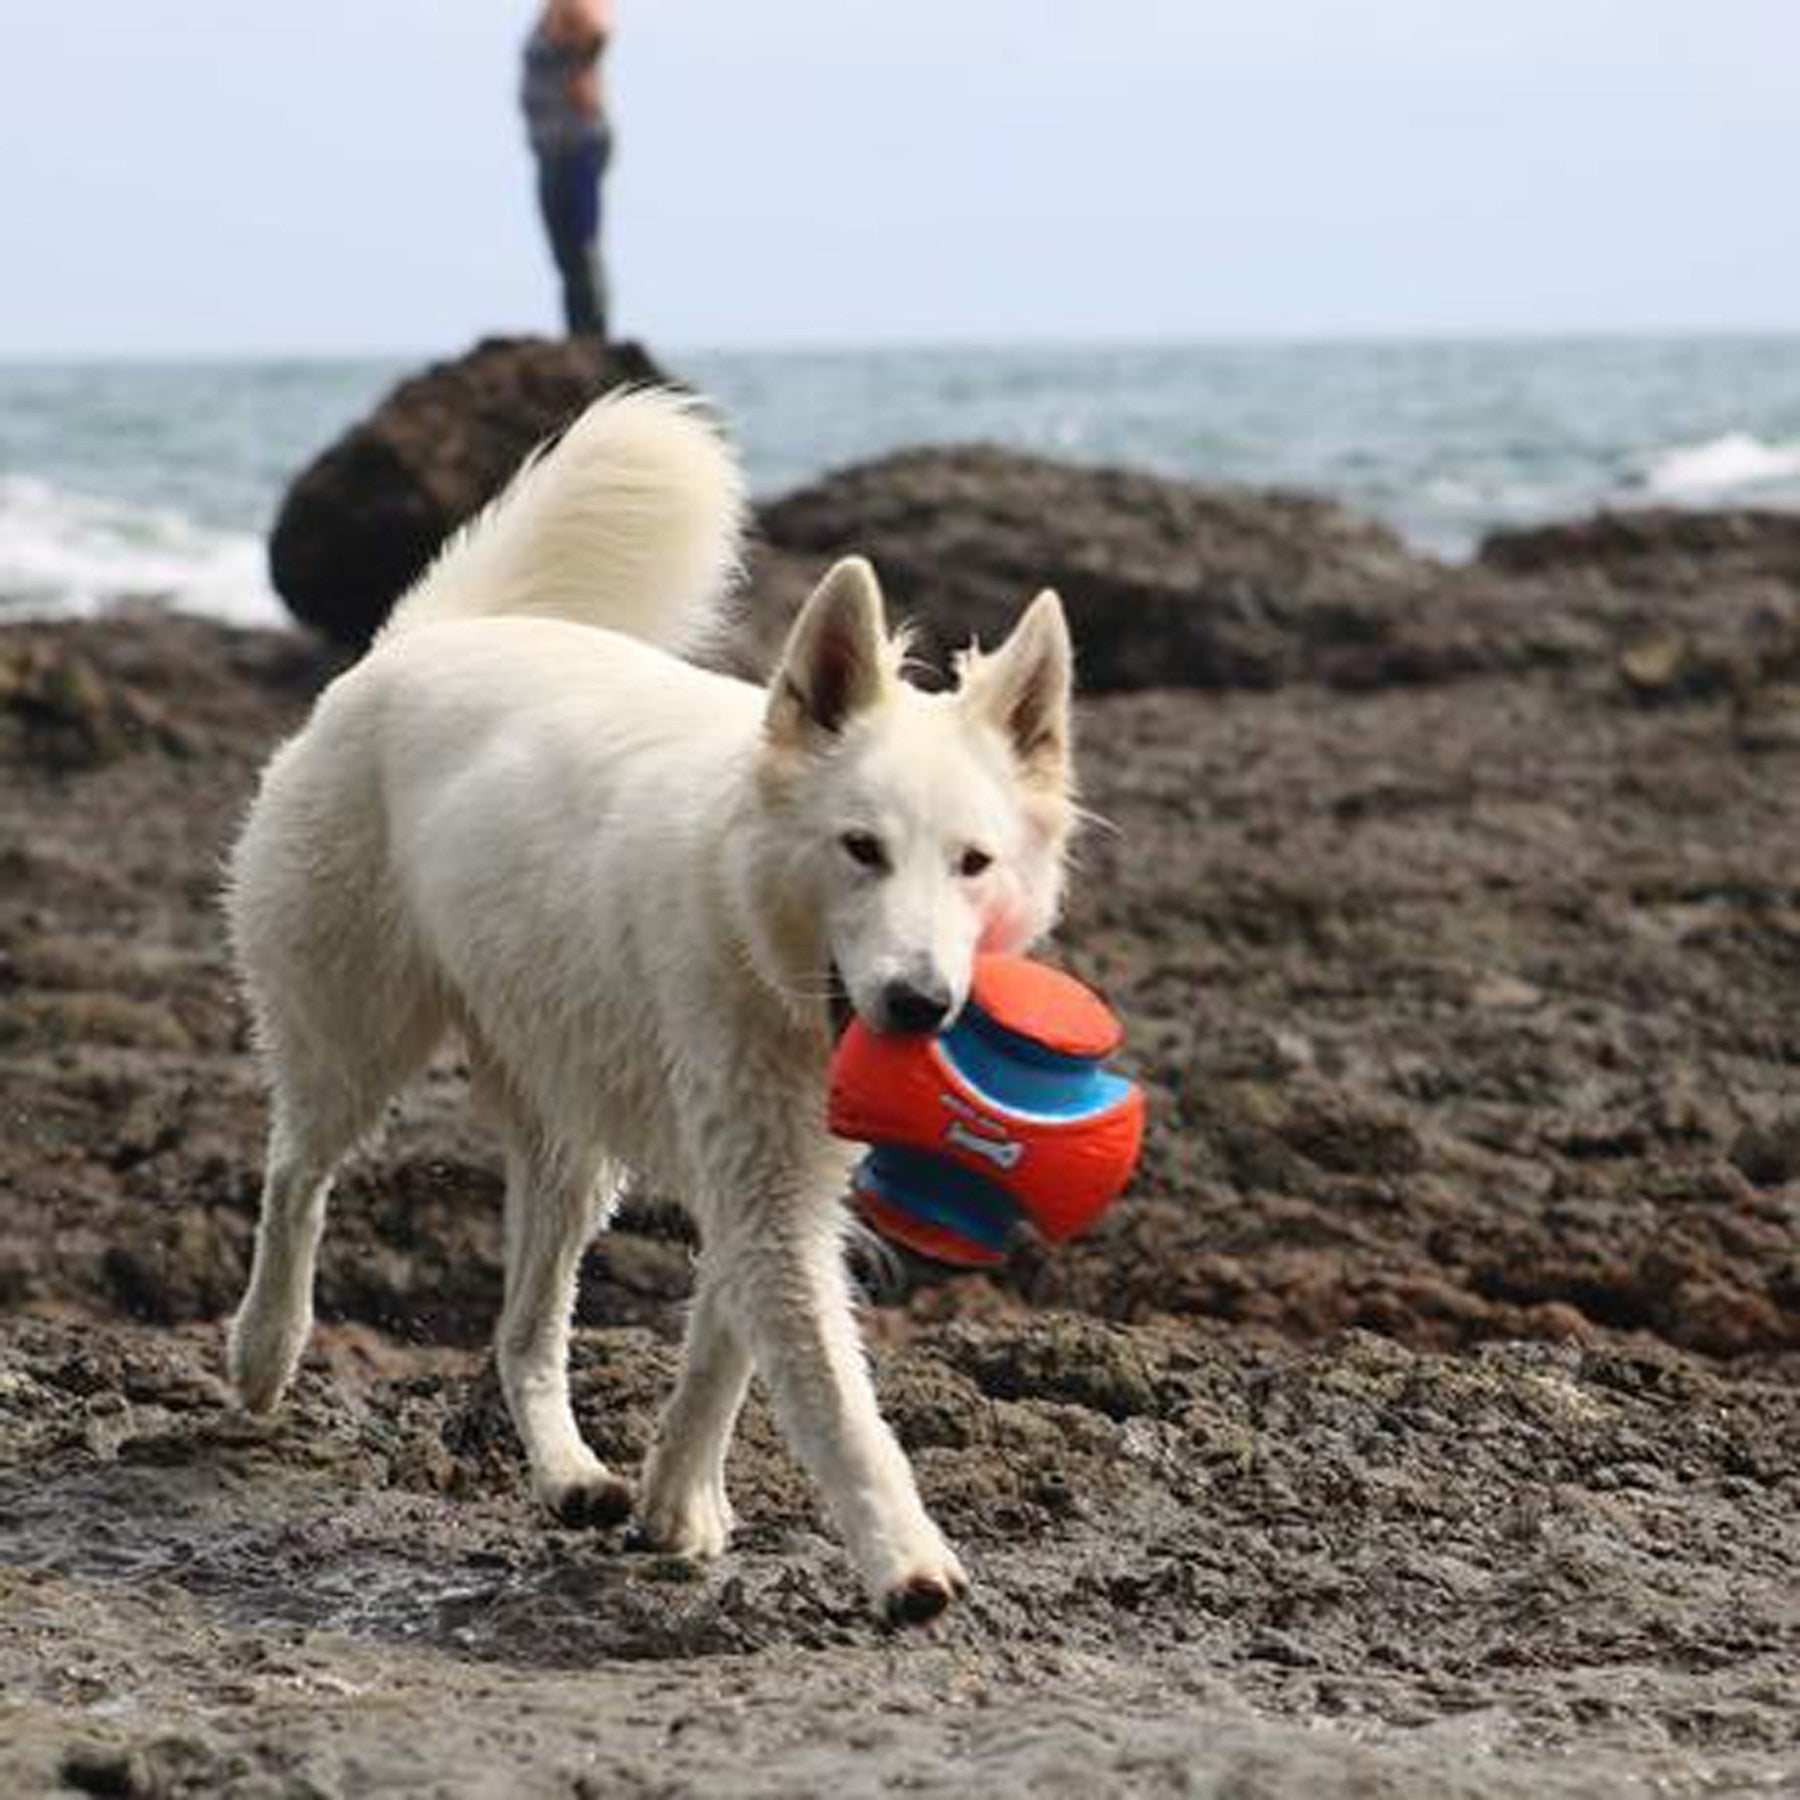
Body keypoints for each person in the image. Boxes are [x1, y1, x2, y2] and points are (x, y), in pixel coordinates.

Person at [521, 0, 613, 340]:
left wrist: (582, 71)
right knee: (567, 252)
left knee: (581, 248)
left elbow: (600, 29)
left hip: (576, 147)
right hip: (554, 149)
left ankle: (592, 339)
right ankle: (580, 336)